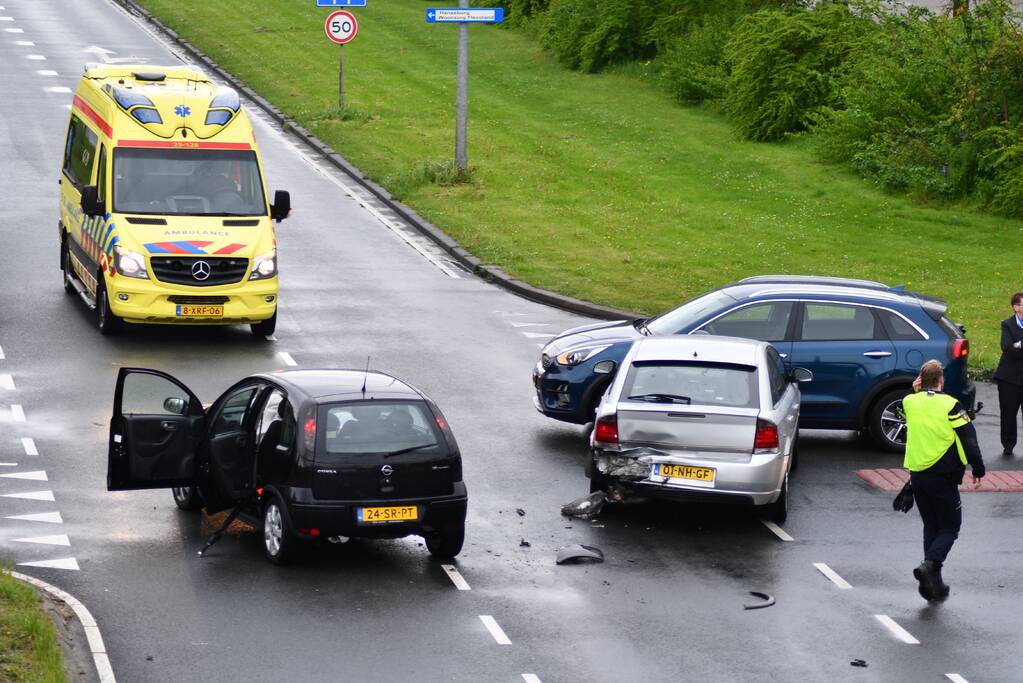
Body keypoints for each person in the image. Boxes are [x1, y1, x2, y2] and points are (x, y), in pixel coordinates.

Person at [903, 359, 985, 602]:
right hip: (943, 476)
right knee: (950, 527)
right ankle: (931, 565)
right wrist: (978, 469)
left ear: (920, 380)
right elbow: (969, 439)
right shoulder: (951, 406)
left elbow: (907, 405)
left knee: (932, 526)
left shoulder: (910, 402)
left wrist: (913, 389)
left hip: (917, 476)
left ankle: (932, 587)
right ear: (941, 380)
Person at [994, 292, 1023, 456]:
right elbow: (1007, 348)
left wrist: (1020, 344)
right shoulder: (1007, 324)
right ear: (1016, 307)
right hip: (1009, 378)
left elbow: (1015, 348)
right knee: (1008, 413)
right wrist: (1015, 347)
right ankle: (1008, 445)